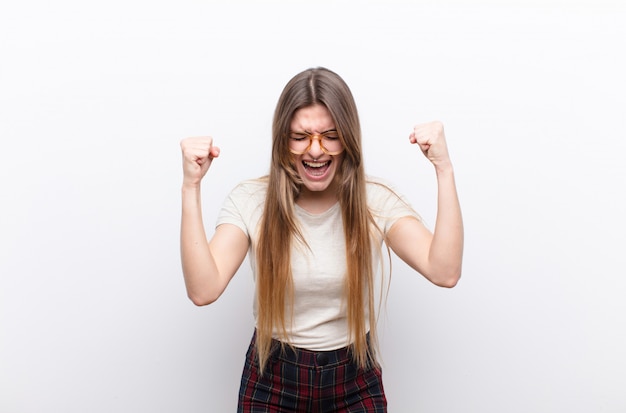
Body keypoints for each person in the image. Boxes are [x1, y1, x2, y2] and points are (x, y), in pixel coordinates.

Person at [179, 67, 463, 412]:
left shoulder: (374, 200)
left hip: (355, 376)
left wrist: (444, 168)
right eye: (300, 137)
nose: (315, 150)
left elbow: (444, 271)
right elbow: (203, 290)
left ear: (348, 139)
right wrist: (191, 186)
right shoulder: (251, 200)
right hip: (274, 377)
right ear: (282, 140)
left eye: (330, 135)